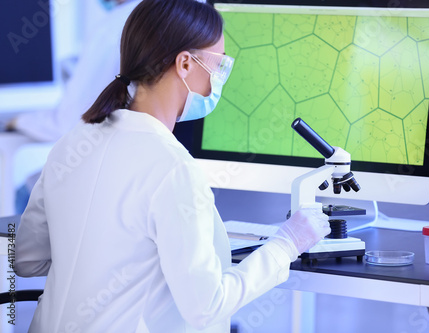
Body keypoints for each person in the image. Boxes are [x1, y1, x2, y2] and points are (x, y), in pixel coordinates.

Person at [15, 0, 330, 332]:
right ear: (184, 64)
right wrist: (288, 243)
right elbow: (207, 308)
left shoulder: (71, 144)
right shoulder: (172, 168)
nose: (218, 81)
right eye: (219, 66)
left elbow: (25, 259)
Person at [7, 0, 141, 214]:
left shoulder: (114, 26)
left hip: (99, 184)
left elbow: (69, 122)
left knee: (22, 195)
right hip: (132, 177)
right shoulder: (175, 14)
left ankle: (9, 248)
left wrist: (18, 121)